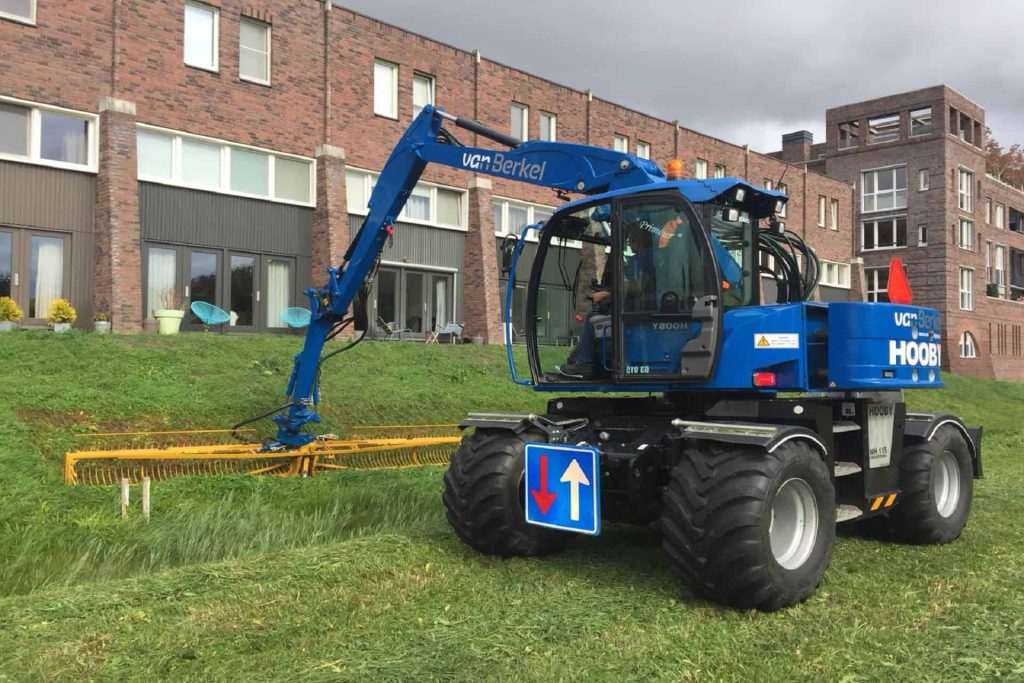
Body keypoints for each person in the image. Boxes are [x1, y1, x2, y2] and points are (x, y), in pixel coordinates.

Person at [557, 221, 653, 379]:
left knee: (593, 316)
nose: (629, 244)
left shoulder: (641, 259)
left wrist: (606, 294)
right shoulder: (652, 257)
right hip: (641, 307)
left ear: (638, 240)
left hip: (638, 310)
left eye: (630, 240)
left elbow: (638, 286)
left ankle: (585, 363)